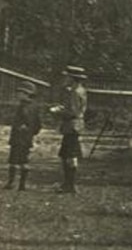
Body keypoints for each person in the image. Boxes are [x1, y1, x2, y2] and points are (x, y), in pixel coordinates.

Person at [50, 65, 87, 194]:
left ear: (72, 78)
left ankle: (70, 185)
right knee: (67, 155)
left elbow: (73, 112)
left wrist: (58, 111)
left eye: (66, 76)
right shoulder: (79, 90)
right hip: (73, 126)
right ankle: (67, 183)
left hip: (72, 126)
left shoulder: (75, 92)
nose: (64, 78)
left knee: (70, 155)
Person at [6, 81, 42, 191]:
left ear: (26, 94)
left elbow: (23, 120)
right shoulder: (35, 107)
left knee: (13, 161)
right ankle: (22, 184)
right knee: (24, 161)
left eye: (20, 92)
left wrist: (21, 128)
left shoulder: (23, 106)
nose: (18, 94)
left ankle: (11, 183)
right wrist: (31, 133)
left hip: (18, 137)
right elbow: (38, 124)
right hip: (27, 139)